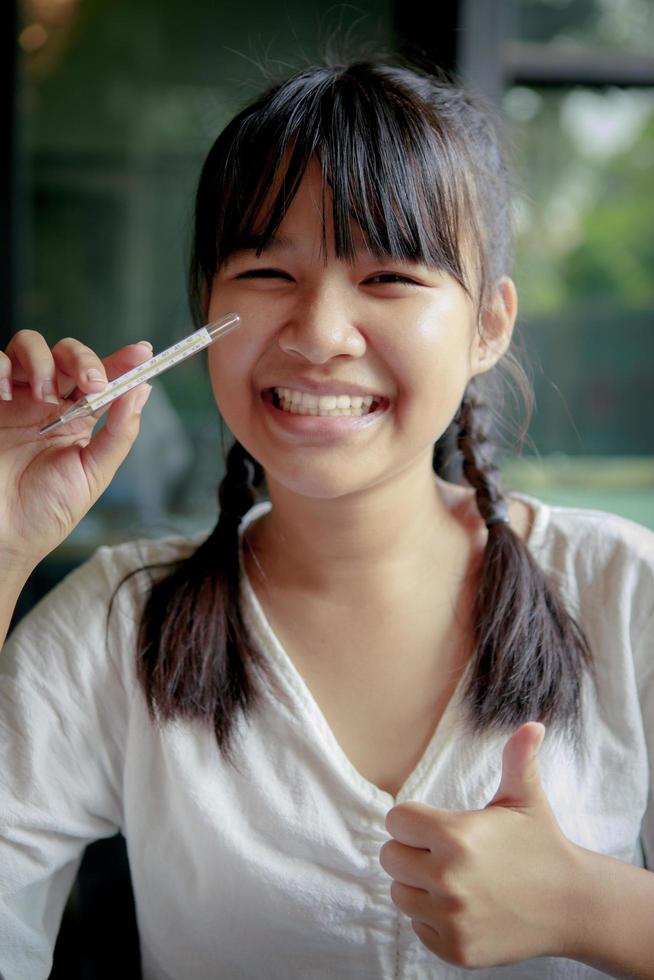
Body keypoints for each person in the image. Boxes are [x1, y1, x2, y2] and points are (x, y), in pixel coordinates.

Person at [1, 60, 653, 980]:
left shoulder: (627, 595)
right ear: (207, 309)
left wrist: (592, 906)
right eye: (267, 270)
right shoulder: (117, 625)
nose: (318, 333)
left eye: (388, 275)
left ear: (489, 327)